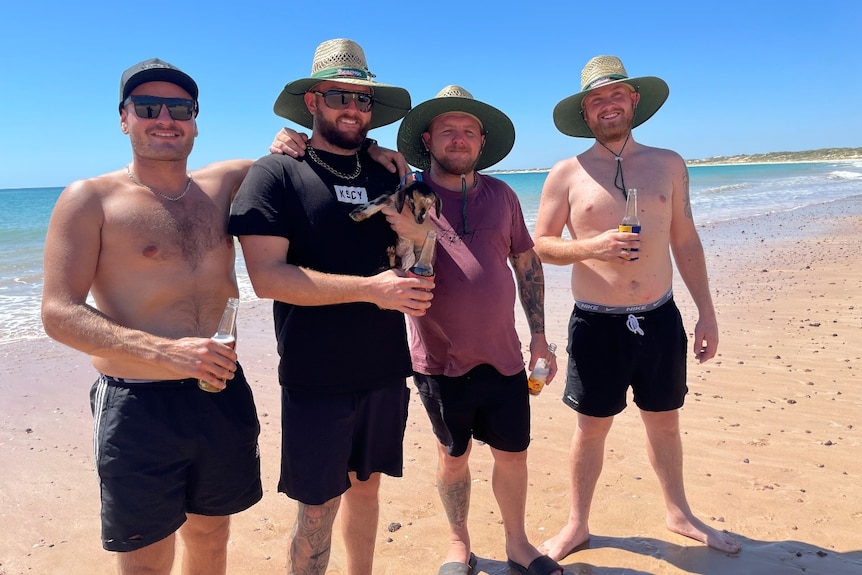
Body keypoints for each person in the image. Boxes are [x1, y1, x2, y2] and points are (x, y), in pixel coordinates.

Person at [40, 57, 263, 575]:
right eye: (147, 106)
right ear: (124, 118)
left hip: (221, 391)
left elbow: (311, 161)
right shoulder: (90, 199)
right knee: (145, 554)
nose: (165, 117)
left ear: (196, 120)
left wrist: (380, 153)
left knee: (211, 533)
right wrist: (164, 350)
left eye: (179, 108)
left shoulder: (224, 183)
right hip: (139, 403)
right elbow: (57, 313)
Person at [227, 38, 432, 575]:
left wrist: (417, 235)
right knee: (317, 508)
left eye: (363, 100)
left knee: (367, 492)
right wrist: (372, 290)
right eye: (340, 96)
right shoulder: (275, 173)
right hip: (315, 375)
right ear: (313, 100)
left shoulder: (391, 172)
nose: (353, 109)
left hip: (386, 368)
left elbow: (417, 265)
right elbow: (267, 278)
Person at [532, 55, 741, 559]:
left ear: (634, 100)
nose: (608, 105)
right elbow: (540, 246)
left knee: (665, 419)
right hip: (595, 325)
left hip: (659, 317)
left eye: (615, 95)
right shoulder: (567, 172)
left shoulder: (669, 163)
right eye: (596, 100)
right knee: (590, 428)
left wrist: (707, 311)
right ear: (585, 112)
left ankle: (679, 512)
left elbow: (685, 240)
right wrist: (592, 247)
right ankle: (577, 524)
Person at [386, 86, 563, 575]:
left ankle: (518, 544)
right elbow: (385, 263)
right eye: (448, 131)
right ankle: (458, 542)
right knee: (453, 457)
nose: (458, 139)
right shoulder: (407, 196)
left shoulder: (503, 195)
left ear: (481, 141)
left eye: (468, 131)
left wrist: (540, 337)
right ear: (429, 139)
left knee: (513, 455)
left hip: (504, 356)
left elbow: (526, 264)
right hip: (439, 363)